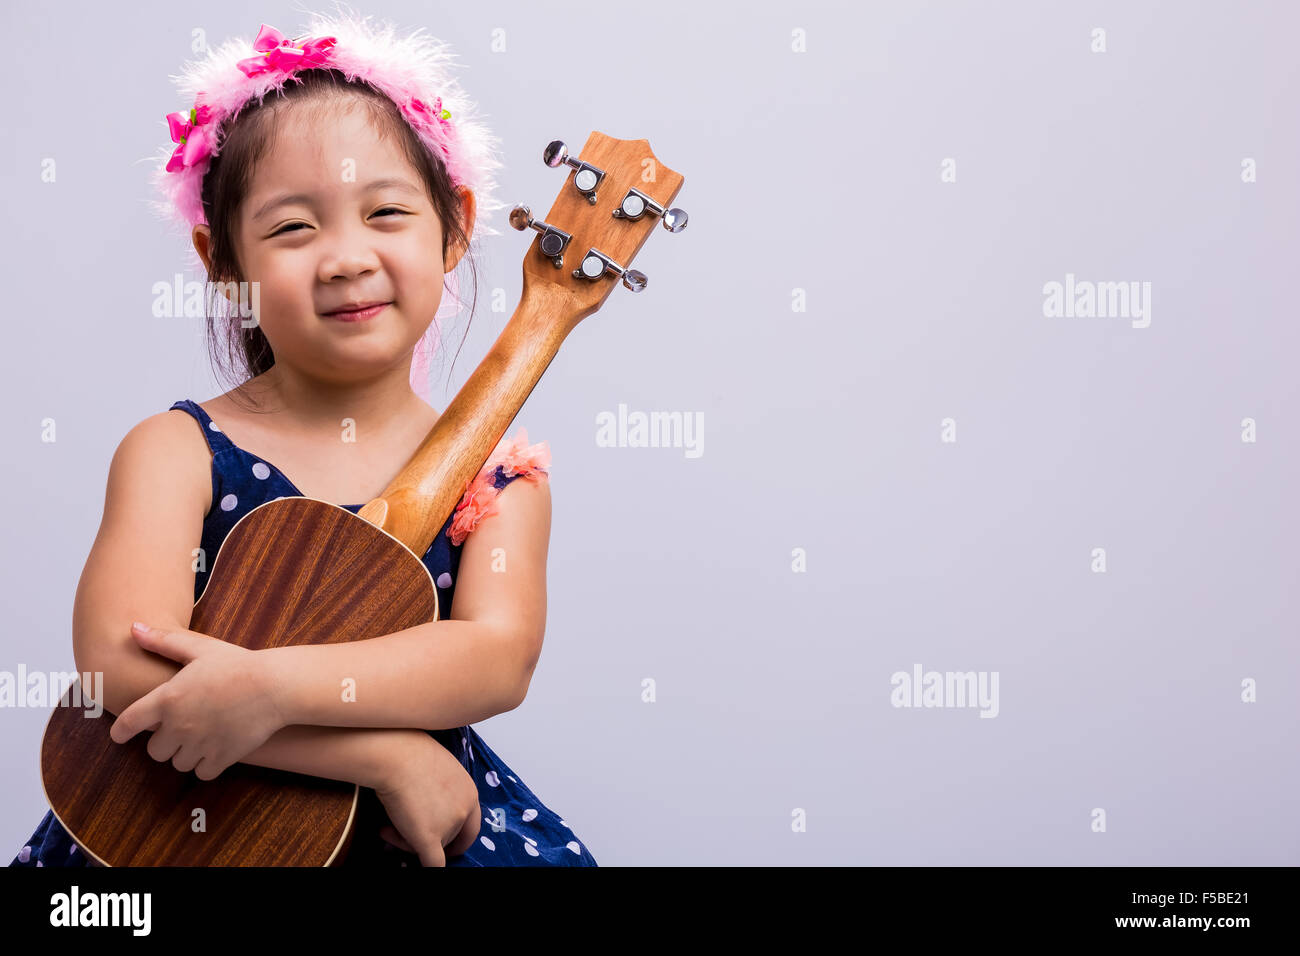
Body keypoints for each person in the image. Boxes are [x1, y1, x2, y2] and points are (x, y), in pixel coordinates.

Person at [9, 8, 596, 868]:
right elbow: (114, 669)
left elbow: (493, 658)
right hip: (173, 828)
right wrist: (379, 753)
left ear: (457, 226)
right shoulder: (177, 452)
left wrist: (268, 687)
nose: (346, 257)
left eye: (386, 212)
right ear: (222, 260)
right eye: (293, 228)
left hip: (405, 832)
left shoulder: (500, 480)